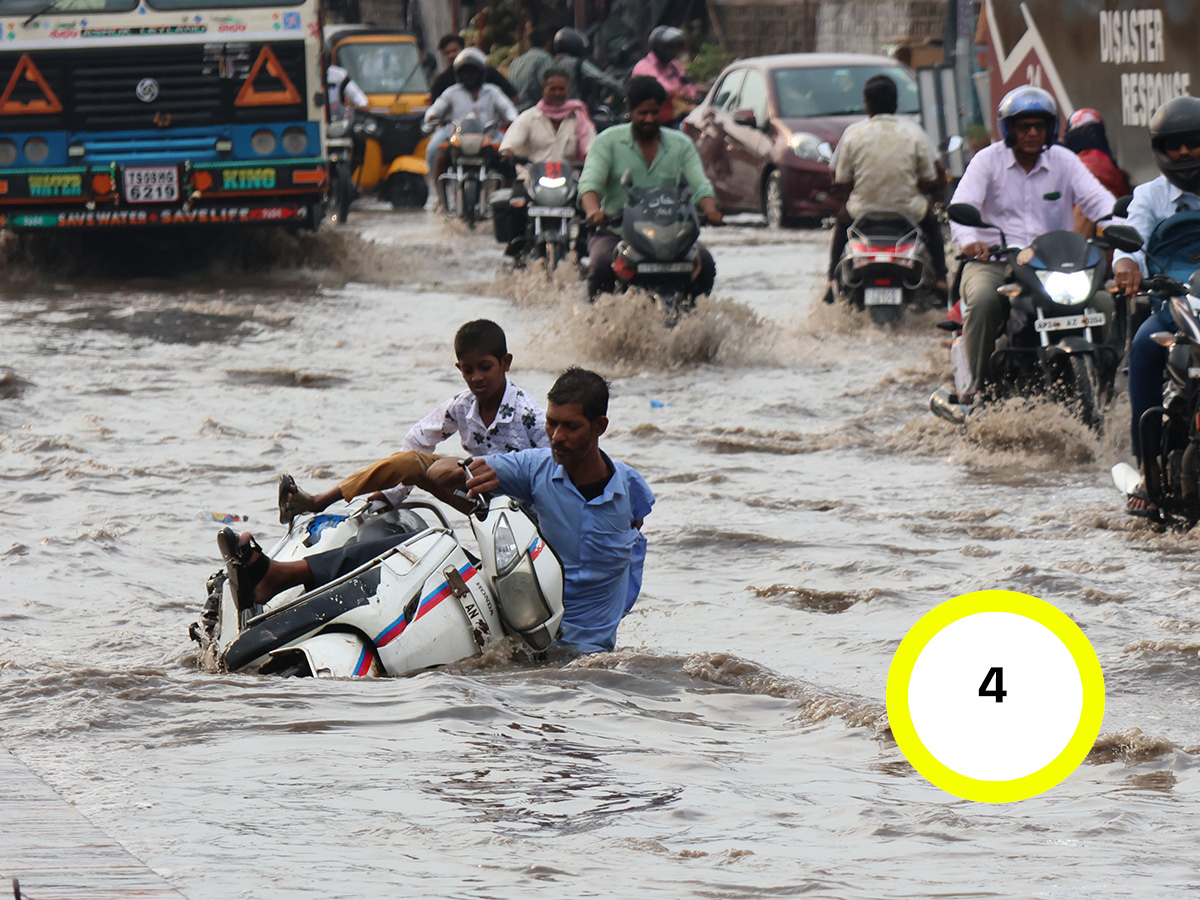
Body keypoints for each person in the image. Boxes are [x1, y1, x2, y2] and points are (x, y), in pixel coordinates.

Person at [221, 368, 654, 655]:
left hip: (587, 650)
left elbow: (636, 543)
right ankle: (280, 577)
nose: (556, 436)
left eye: (571, 427)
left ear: (600, 428)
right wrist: (459, 468)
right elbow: (475, 469)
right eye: (552, 424)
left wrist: (618, 606)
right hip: (524, 609)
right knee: (412, 548)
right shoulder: (537, 467)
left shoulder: (631, 488)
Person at [277, 319, 548, 523]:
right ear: (459, 369)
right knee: (411, 462)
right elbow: (418, 439)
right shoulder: (462, 405)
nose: (476, 377)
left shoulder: (528, 414)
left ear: (505, 363)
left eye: (485, 367)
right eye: (468, 370)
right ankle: (316, 502)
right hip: (478, 501)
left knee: (464, 468)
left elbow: (555, 467)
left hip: (526, 514)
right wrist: (393, 494)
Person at [948, 85, 1117, 403]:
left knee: (1104, 304)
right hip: (995, 263)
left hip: (1054, 266)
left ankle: (1106, 386)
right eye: (1024, 126)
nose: (1032, 133)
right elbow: (961, 208)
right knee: (983, 301)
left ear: (1050, 128)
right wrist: (970, 242)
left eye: (1039, 126)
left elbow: (1101, 205)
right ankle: (977, 388)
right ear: (1008, 128)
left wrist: (1121, 237)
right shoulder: (987, 161)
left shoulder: (1065, 161)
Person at [1111, 96, 1200, 515]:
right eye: (1173, 145)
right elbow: (1132, 234)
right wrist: (1127, 263)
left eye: (1192, 142)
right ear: (1159, 151)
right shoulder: (1150, 196)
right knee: (1145, 347)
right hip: (1176, 307)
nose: (1183, 152)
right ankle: (1148, 471)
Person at [578, 75, 722, 300]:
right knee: (602, 265)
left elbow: (699, 185)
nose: (649, 118)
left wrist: (710, 209)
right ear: (630, 112)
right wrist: (593, 211)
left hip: (673, 236)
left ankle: (695, 318)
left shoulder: (681, 144)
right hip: (617, 233)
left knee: (705, 263)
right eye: (642, 113)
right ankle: (598, 324)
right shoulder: (607, 142)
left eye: (655, 112)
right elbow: (590, 184)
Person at [825, 74, 946, 304]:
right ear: (896, 104)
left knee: (841, 223)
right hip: (910, 212)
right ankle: (941, 278)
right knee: (932, 225)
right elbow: (931, 176)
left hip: (861, 211)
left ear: (866, 104)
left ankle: (831, 279)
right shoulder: (914, 133)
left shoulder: (853, 134)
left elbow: (840, 179)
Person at [495, 67, 596, 257]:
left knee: (588, 208)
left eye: (561, 89)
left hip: (570, 182)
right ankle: (517, 253)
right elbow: (510, 142)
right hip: (530, 180)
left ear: (569, 90)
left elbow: (592, 148)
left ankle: (581, 253)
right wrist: (509, 152)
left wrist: (593, 160)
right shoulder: (528, 117)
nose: (557, 93)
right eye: (553, 89)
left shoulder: (579, 119)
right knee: (516, 204)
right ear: (544, 90)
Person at [424, 48, 518, 205]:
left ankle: (504, 201)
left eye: (473, 71)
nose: (470, 75)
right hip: (457, 140)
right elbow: (433, 111)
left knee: (509, 157)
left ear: (481, 73)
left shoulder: (493, 92)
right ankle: (441, 199)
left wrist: (511, 119)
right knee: (436, 152)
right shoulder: (451, 92)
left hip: (489, 138)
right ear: (458, 74)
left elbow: (510, 110)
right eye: (465, 71)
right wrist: (433, 117)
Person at [551, 27, 624, 118]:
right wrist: (622, 89)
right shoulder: (577, 63)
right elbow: (600, 77)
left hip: (553, 115)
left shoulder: (551, 63)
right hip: (576, 115)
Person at [630, 26, 696, 125]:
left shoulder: (673, 65)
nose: (674, 53)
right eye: (671, 49)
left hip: (675, 118)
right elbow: (662, 88)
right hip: (651, 120)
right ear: (661, 48)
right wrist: (680, 94)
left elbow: (686, 84)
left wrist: (690, 95)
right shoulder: (644, 66)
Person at [429, 33, 518, 103]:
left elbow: (513, 96)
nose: (451, 55)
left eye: (454, 50)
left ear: (464, 49)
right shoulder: (442, 81)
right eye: (447, 53)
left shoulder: (488, 72)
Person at [508, 27, 555, 112]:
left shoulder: (516, 61)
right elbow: (547, 84)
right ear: (548, 44)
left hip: (516, 111)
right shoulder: (544, 58)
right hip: (533, 111)